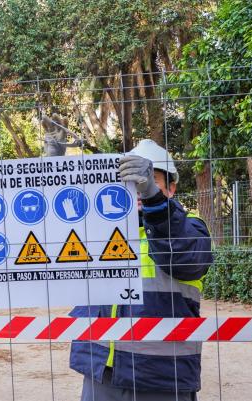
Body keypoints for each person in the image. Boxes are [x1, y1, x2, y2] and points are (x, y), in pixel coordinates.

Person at [68, 139, 214, 400]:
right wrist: (52, 166)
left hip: (163, 377)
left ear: (171, 187)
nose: (139, 187)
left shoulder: (190, 227)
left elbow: (188, 258)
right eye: (132, 181)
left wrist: (154, 202)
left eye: (150, 179)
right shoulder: (100, 231)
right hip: (101, 371)